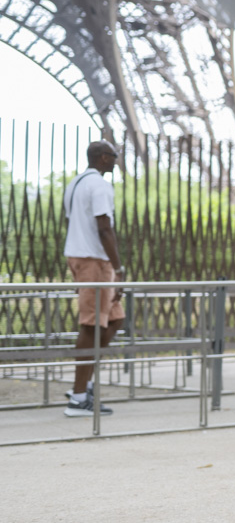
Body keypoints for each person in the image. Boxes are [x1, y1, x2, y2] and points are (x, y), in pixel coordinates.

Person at [62, 140, 125, 417]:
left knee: (114, 319)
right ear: (103, 157)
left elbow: (71, 221)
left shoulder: (75, 183)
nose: (116, 161)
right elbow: (104, 227)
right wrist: (118, 268)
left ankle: (83, 382)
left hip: (80, 256)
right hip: (94, 261)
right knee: (91, 326)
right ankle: (78, 398)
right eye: (114, 156)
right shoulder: (99, 185)